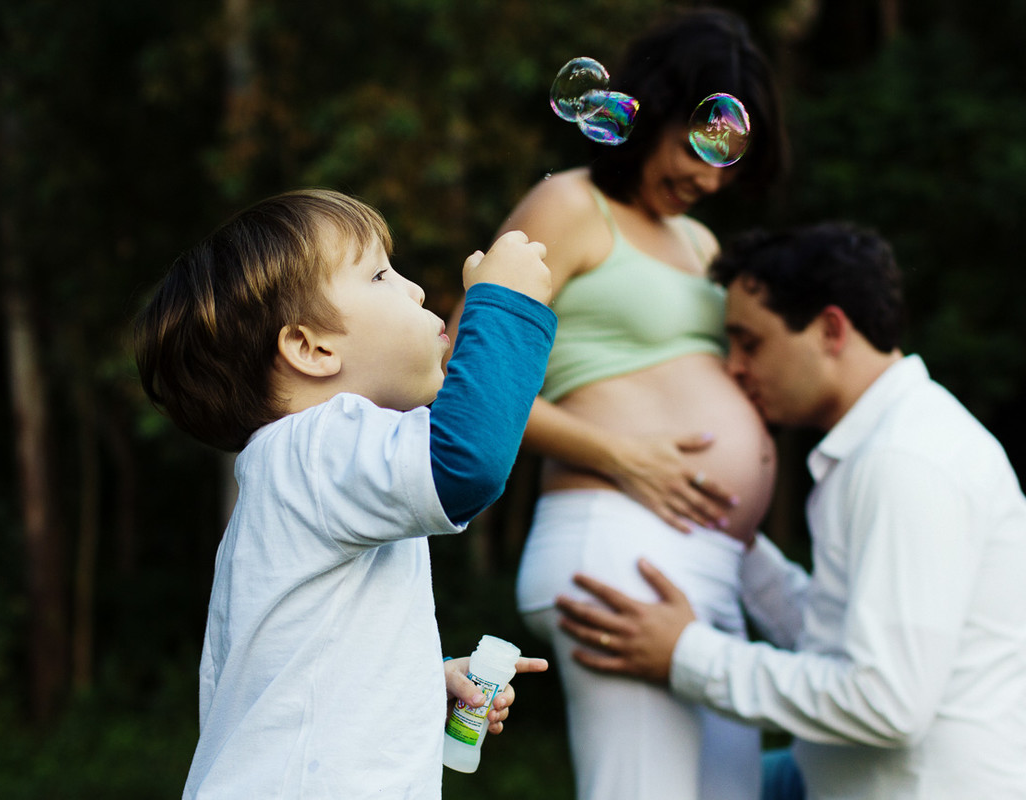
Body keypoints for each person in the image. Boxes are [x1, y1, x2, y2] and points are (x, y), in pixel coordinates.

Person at [555, 222, 1026, 799]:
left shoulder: (906, 461)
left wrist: (686, 654)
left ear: (830, 330)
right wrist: (742, 549)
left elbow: (886, 703)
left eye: (750, 343)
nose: (734, 368)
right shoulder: (885, 445)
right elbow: (838, 641)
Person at [446, 8, 789, 799]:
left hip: (708, 560)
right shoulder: (571, 204)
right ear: (653, 109)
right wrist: (622, 455)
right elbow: (459, 366)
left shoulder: (701, 244)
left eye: (728, 161)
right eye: (698, 146)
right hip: (618, 539)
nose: (710, 178)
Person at [133, 188, 556, 799]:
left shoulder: (300, 471)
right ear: (312, 348)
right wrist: (507, 303)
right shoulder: (315, 446)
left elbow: (292, 680)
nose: (415, 290)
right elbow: (466, 463)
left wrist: (416, 684)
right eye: (381, 275)